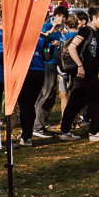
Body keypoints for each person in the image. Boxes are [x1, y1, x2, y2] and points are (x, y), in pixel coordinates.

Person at [58, 7, 99, 143]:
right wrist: (80, 65)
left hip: (90, 71)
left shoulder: (98, 34)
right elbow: (72, 47)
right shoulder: (86, 30)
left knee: (75, 102)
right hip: (85, 72)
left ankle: (64, 131)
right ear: (94, 18)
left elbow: (96, 53)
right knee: (98, 102)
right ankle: (94, 132)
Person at [33, 7, 68, 138]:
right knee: (46, 94)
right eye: (60, 16)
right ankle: (37, 126)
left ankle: (40, 124)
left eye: (64, 17)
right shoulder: (47, 26)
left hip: (54, 63)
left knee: (50, 94)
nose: (62, 19)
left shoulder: (60, 31)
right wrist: (50, 34)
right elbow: (40, 39)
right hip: (47, 64)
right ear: (55, 16)